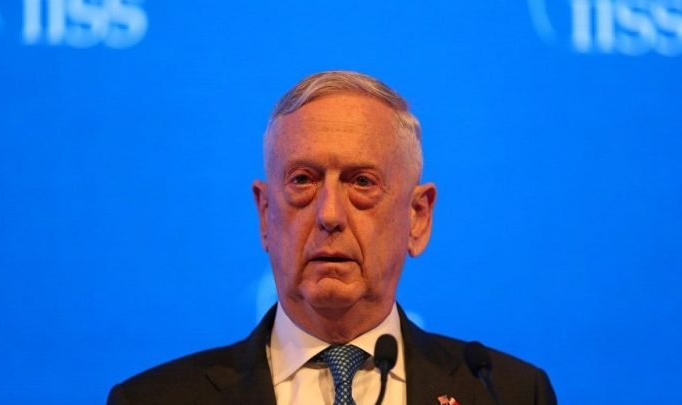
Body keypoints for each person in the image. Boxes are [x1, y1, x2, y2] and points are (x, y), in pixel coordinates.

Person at [107, 71, 557, 405]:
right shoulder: (153, 399)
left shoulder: (507, 393)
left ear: (418, 217)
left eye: (362, 182)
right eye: (303, 180)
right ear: (265, 214)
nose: (329, 215)